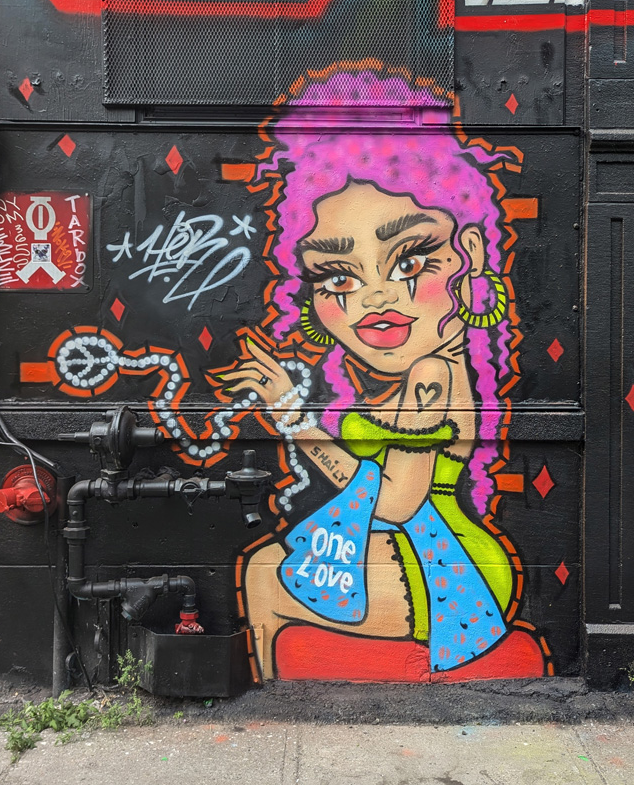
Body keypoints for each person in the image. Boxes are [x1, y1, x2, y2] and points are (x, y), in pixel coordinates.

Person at [222, 68, 547, 682]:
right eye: (338, 276)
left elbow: (397, 501)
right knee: (273, 564)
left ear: (470, 254)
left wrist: (292, 416)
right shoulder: (437, 366)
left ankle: (267, 694)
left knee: (264, 573)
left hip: (442, 567)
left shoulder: (430, 373)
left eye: (410, 261)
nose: (373, 297)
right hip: (431, 551)